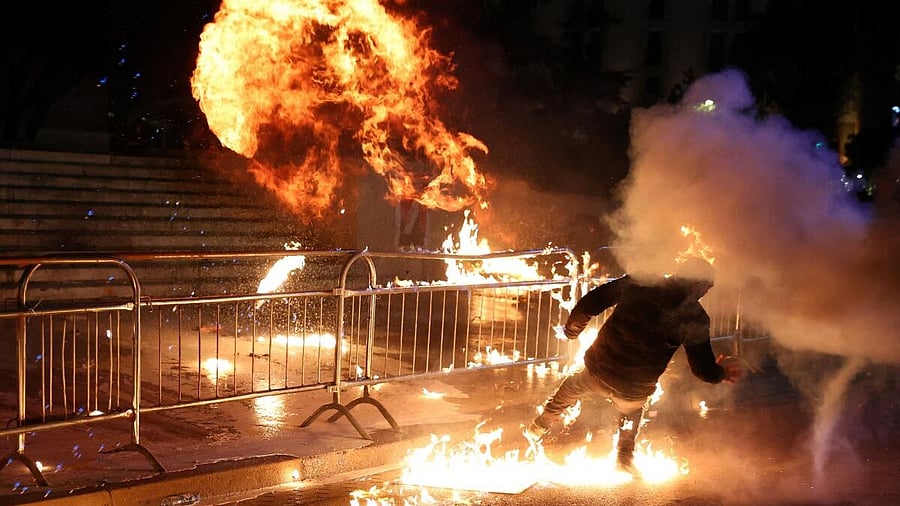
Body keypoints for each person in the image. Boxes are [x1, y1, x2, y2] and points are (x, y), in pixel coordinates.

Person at [524, 257, 743, 474]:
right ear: (696, 285)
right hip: (634, 389)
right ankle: (624, 459)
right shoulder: (696, 318)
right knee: (631, 412)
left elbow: (593, 301)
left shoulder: (641, 282)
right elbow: (702, 369)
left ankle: (539, 426)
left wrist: (573, 329)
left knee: (572, 387)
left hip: (598, 370)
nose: (706, 292)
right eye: (707, 287)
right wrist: (720, 373)